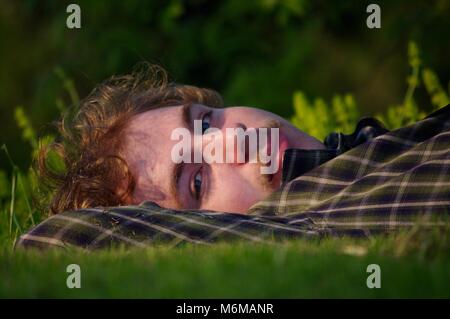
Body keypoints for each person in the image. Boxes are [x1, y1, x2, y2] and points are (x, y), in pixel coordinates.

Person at [17, 65, 450, 250]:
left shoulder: (392, 147)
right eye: (197, 183)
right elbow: (60, 241)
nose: (237, 141)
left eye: (206, 124)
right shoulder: (321, 227)